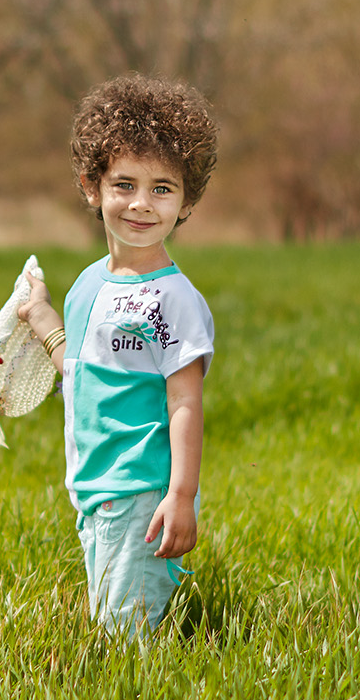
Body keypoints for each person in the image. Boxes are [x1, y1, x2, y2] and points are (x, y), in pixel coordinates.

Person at [17, 74, 219, 641]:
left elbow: (185, 402)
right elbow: (79, 372)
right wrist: (41, 316)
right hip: (93, 488)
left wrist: (181, 496)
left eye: (162, 188)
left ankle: (153, 694)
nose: (141, 203)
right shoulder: (88, 284)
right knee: (113, 623)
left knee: (124, 637)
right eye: (124, 184)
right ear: (91, 186)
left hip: (140, 490)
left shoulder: (173, 299)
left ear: (186, 200)